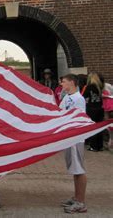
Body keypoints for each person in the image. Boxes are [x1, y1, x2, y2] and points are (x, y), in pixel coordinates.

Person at [59, 74, 88, 213]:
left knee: (79, 169)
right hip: (69, 138)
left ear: (72, 82)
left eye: (63, 82)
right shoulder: (66, 97)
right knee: (74, 169)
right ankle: (76, 197)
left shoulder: (78, 99)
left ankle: (81, 202)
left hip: (76, 138)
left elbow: (79, 118)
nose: (61, 84)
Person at [83, 72, 104, 152]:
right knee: (99, 127)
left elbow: (84, 97)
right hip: (100, 108)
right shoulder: (100, 87)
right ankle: (100, 146)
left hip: (91, 109)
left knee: (93, 127)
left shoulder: (89, 87)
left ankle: (94, 146)